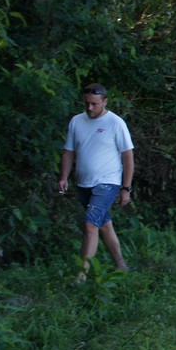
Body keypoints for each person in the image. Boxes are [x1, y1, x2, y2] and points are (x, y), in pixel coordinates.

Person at [57, 83, 134, 281]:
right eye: (86, 104)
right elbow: (69, 152)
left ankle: (81, 275)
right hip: (83, 183)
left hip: (108, 182)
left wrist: (126, 188)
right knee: (103, 224)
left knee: (90, 225)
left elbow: (128, 157)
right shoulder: (76, 121)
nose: (90, 108)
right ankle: (121, 265)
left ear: (104, 101)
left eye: (94, 104)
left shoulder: (116, 123)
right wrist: (64, 177)